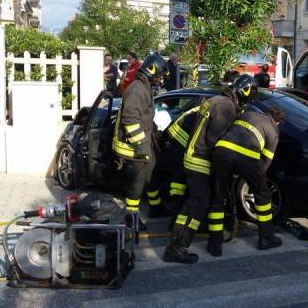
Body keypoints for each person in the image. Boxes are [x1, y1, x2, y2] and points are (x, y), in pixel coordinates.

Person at [163, 75, 257, 264]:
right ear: (245, 92)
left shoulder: (216, 100)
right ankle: (178, 247)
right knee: (198, 205)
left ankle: (175, 243)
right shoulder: (227, 107)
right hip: (200, 160)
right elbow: (217, 142)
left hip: (192, 156)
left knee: (192, 204)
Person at [209, 107, 286, 256]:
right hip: (247, 157)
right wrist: (254, 180)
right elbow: (265, 163)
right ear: (278, 122)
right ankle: (266, 238)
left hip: (221, 152)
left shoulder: (247, 114)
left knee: (217, 197)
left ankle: (215, 245)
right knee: (263, 195)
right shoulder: (274, 131)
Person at [112, 54, 169, 226]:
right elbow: (130, 119)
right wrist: (142, 144)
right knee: (135, 187)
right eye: (159, 76)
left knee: (152, 176)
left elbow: (143, 116)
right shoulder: (137, 89)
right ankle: (131, 220)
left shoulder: (144, 87)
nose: (160, 80)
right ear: (152, 71)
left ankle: (156, 208)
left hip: (142, 145)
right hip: (132, 149)